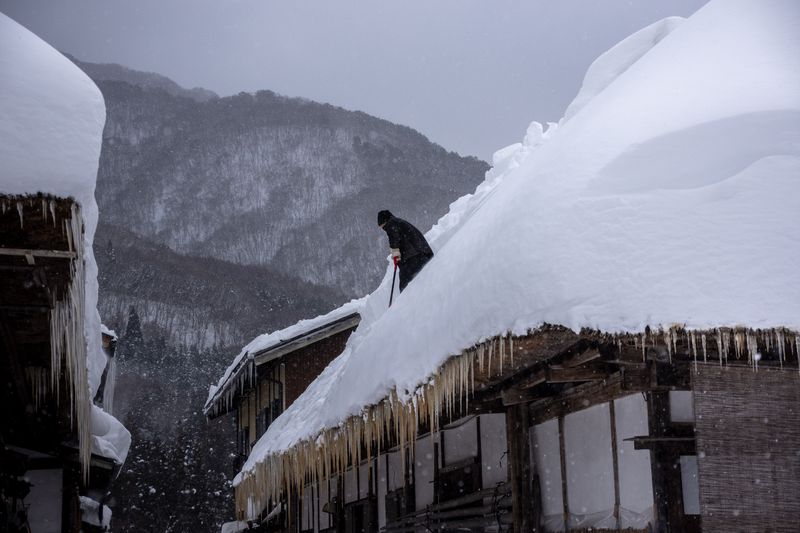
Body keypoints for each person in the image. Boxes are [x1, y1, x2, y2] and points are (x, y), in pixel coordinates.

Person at [378, 210, 434, 292]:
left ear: (385, 221)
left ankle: (405, 303)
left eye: (382, 226)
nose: (383, 229)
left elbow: (394, 239)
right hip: (423, 255)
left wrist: (395, 254)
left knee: (405, 288)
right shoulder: (400, 222)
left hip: (412, 258)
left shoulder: (391, 224)